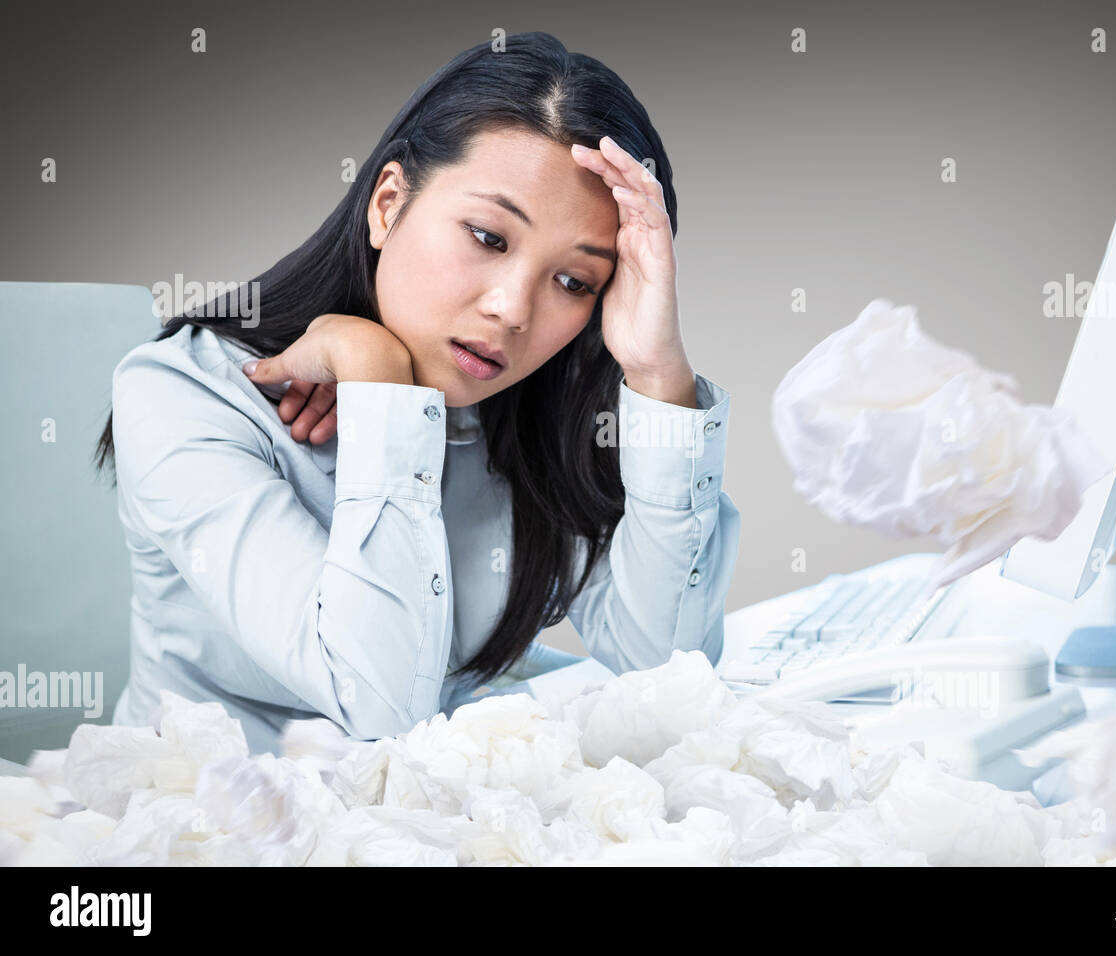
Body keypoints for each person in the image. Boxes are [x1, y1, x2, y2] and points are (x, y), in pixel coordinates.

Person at [91, 31, 740, 757]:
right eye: (489, 237)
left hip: (441, 821)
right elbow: (377, 702)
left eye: (573, 282)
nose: (513, 309)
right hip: (204, 821)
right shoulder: (185, 396)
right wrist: (378, 379)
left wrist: (657, 375)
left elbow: (668, 676)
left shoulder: (532, 420)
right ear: (388, 203)